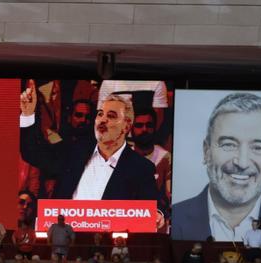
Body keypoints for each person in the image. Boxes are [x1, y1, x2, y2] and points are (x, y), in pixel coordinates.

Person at [172, 91, 261, 241]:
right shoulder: (174, 218)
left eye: (258, 148)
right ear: (206, 151)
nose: (242, 163)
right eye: (229, 144)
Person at [18, 80, 158, 201]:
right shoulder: (72, 152)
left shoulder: (141, 169)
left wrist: (159, 214)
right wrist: (27, 115)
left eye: (111, 116)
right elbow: (33, 153)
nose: (103, 120)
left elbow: (154, 210)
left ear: (126, 125)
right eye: (100, 114)